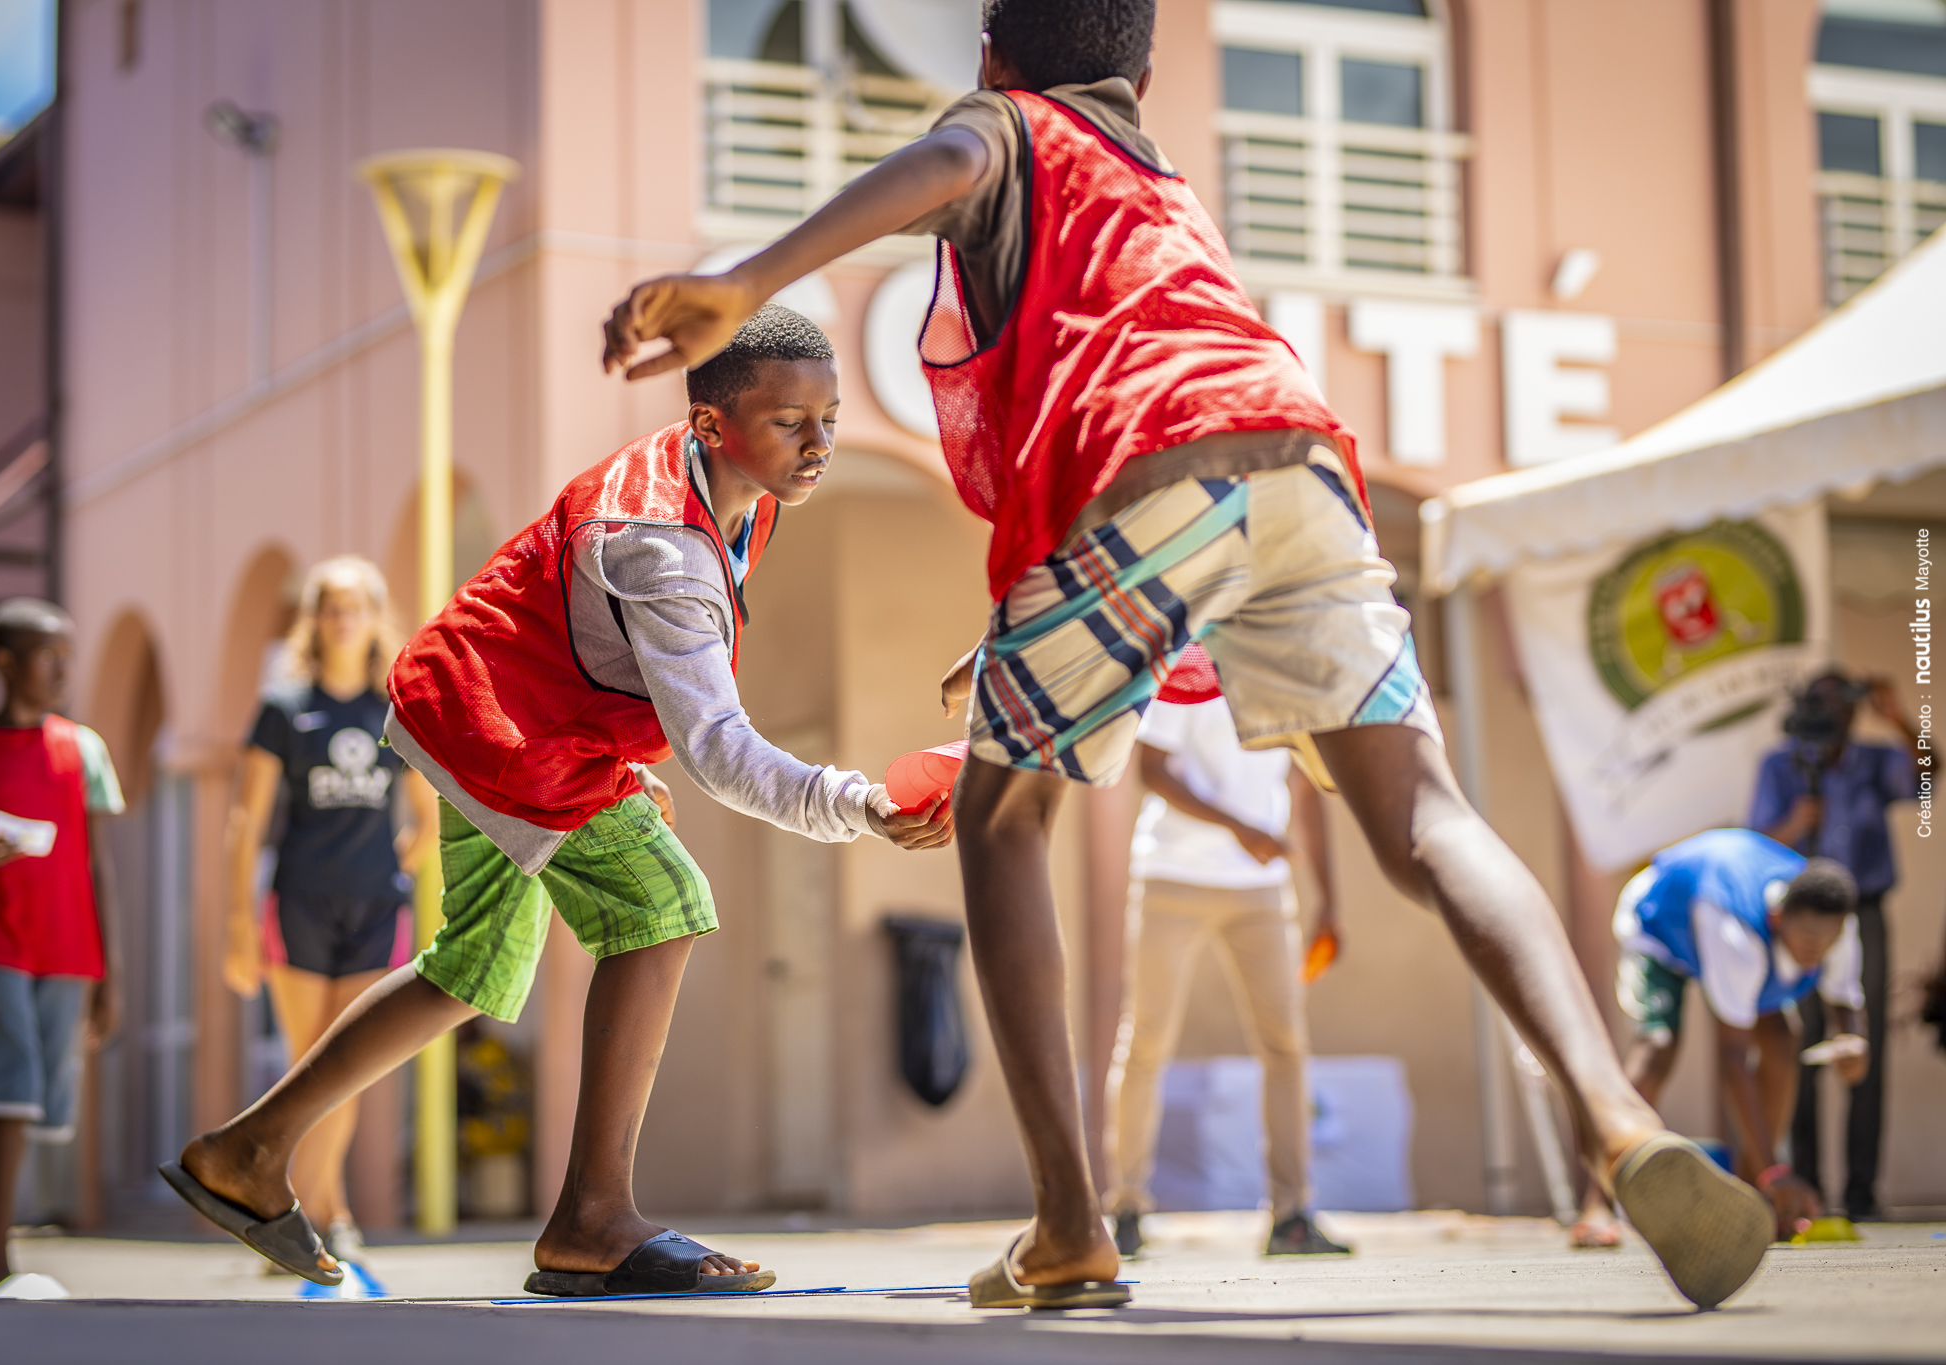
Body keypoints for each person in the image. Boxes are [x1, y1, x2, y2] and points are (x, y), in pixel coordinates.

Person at [602, 0, 1777, 1312]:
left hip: (1147, 477)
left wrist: (747, 282)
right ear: (1146, 72)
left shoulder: (1008, 127)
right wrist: (1011, 637)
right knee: (1427, 816)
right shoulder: (1167, 187)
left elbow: (957, 185)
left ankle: (1070, 1224)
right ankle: (1618, 1118)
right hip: (1302, 469)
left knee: (1002, 821)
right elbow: (1188, 453)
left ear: (989, 55)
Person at [162, 306, 952, 1294]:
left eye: (829, 417)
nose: (820, 441)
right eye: (791, 422)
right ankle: (591, 1220)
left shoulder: (730, 486)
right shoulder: (664, 541)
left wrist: (619, 748)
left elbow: (600, 640)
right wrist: (864, 805)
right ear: (711, 426)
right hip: (498, 722)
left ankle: (245, 1153)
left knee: (471, 967)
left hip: (480, 699)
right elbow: (719, 747)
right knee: (659, 910)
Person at [221, 556, 439, 1267]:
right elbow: (245, 823)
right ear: (314, 620)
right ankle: (320, 1214)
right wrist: (236, 924)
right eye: (331, 607)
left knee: (348, 1066)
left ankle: (303, 1214)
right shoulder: (283, 707)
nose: (343, 619)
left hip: (377, 908)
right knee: (306, 1061)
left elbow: (427, 821)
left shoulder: (396, 706)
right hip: (299, 904)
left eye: (356, 607)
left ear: (376, 617)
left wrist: (390, 867)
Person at [0, 598, 124, 1295]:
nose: (62, 667)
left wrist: (111, 972)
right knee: (6, 1098)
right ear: (5, 661)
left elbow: (100, 865)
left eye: (68, 654)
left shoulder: (83, 747)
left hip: (65, 947)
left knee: (35, 1104)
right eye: (47, 654)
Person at [1104, 695, 1348, 1259]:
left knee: (1285, 1044)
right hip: (1172, 877)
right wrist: (1240, 828)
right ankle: (1127, 1206)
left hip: (1260, 888)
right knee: (1146, 1040)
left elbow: (1309, 790)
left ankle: (1291, 1215)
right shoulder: (1188, 665)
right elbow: (1152, 771)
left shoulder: (1285, 675)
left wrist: (1329, 901)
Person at [1569, 831, 1866, 1246]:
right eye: (1809, 944)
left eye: (1827, 943)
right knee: (1658, 1046)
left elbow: (1844, 999)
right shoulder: (1736, 931)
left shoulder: (1833, 918)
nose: (1817, 955)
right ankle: (1596, 1202)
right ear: (1779, 920)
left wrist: (1853, 1042)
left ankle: (1753, 1199)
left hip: (1728, 921)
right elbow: (1732, 1060)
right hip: (1661, 926)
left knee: (1782, 1039)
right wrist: (1777, 1170)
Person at [1750, 671, 1919, 1221]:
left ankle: (1862, 1193)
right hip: (1800, 923)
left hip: (1863, 912)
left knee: (1861, 1047)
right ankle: (1807, 1187)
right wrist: (1797, 820)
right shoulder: (1783, 764)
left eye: (1841, 703)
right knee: (1800, 1045)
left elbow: (1926, 781)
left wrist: (1897, 717)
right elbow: (1753, 843)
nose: (1833, 715)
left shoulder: (1873, 760)